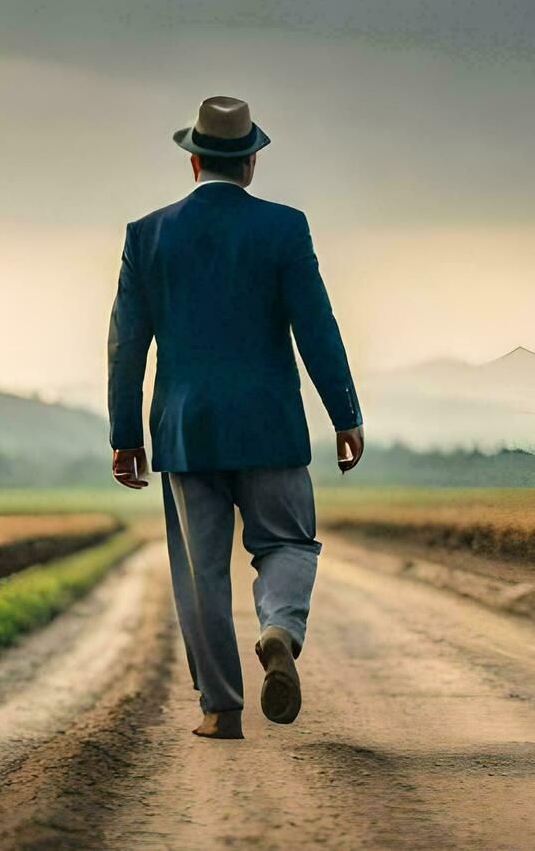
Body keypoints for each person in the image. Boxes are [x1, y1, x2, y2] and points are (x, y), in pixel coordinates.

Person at [107, 95, 364, 740]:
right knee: (287, 542)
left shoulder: (147, 235)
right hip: (270, 425)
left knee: (202, 575)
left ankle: (221, 709)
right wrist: (345, 413)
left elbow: (126, 342)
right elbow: (318, 328)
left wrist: (124, 435)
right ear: (250, 164)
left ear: (193, 161)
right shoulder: (285, 227)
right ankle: (279, 628)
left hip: (186, 431)